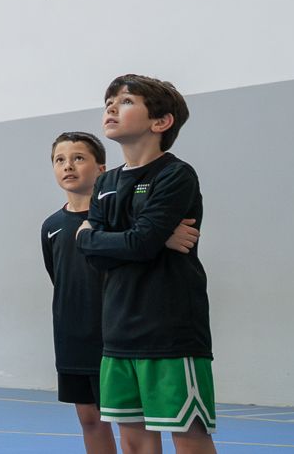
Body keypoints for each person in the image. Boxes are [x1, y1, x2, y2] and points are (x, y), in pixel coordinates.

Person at [76, 76, 215, 451]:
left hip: (169, 331)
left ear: (161, 122)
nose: (110, 107)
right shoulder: (105, 185)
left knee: (188, 437)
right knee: (134, 441)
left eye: (124, 101)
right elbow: (91, 248)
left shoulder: (175, 175)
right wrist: (147, 239)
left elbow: (132, 243)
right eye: (108, 101)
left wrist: (115, 239)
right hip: (118, 333)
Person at [43, 134, 114, 454]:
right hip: (72, 338)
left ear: (101, 168)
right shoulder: (52, 226)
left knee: (131, 420)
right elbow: (56, 277)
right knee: (89, 419)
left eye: (78, 158)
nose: (68, 166)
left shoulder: (114, 220)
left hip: (113, 336)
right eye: (60, 160)